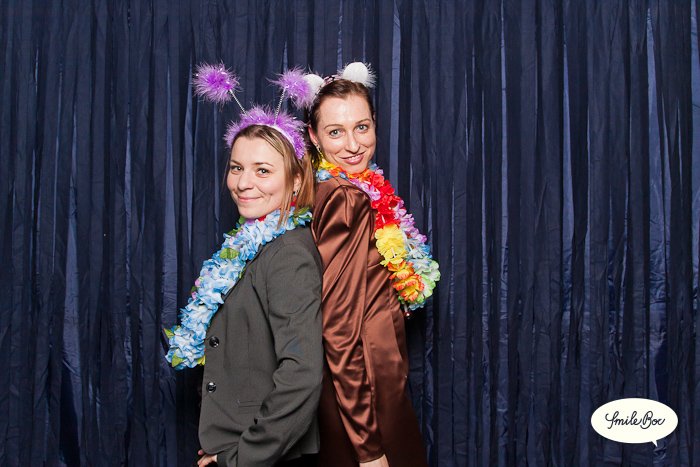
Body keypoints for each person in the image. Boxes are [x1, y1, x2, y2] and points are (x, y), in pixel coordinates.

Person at [165, 65, 324, 467]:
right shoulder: (247, 247)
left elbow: (302, 374)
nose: (243, 183)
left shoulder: (288, 255)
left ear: (295, 180)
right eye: (237, 167)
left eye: (263, 170)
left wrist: (241, 458)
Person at [305, 64, 439, 467]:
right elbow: (337, 328)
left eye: (361, 127)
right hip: (365, 395)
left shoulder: (341, 187)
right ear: (313, 136)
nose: (353, 145)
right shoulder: (346, 199)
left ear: (375, 123)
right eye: (335, 132)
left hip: (366, 385)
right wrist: (368, 447)